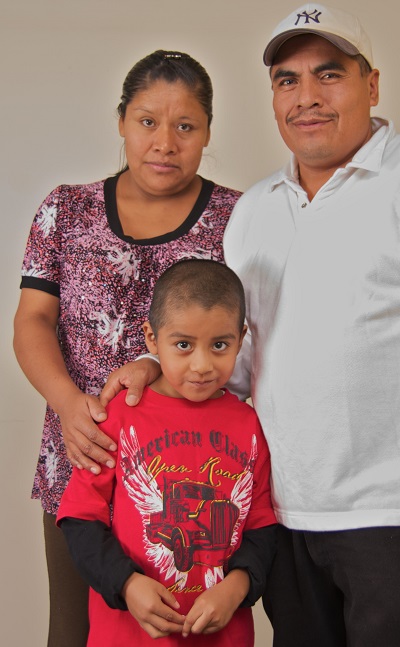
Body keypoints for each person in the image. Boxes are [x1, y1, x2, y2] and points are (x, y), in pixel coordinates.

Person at [66, 5, 400, 646]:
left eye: (330, 74)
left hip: (397, 516)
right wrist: (159, 366)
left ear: (372, 85)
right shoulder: (256, 211)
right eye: (287, 80)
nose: (307, 97)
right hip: (284, 518)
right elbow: (240, 361)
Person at [13, 50, 241, 647]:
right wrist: (68, 404)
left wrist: (157, 364)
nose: (165, 142)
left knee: (184, 633)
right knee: (72, 631)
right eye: (146, 121)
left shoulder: (240, 218)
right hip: (82, 462)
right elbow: (32, 321)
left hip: (190, 479)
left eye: (185, 126)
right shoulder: (66, 210)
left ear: (208, 131)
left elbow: (252, 337)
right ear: (121, 121)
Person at [56, 259, 277, 646]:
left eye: (220, 345)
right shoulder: (120, 415)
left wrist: (237, 586)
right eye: (183, 345)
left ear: (241, 339)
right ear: (152, 339)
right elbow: (80, 518)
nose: (202, 365)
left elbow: (261, 525)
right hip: (126, 636)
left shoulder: (249, 425)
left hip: (223, 637)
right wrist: (127, 584)